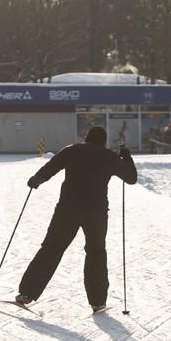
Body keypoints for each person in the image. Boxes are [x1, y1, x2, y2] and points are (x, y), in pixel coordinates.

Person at [14, 126, 138, 312]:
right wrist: (126, 156)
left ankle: (27, 293)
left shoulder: (72, 150)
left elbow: (50, 168)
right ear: (103, 141)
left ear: (87, 138)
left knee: (51, 248)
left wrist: (35, 181)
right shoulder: (109, 157)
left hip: (68, 209)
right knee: (96, 252)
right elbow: (131, 178)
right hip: (96, 213)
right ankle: (98, 302)